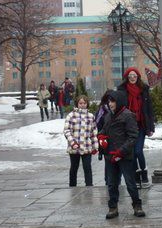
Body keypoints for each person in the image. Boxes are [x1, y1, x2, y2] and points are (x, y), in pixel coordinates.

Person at [98, 90, 145, 219]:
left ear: (118, 102)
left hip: (124, 156)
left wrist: (121, 152)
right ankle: (113, 207)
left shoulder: (128, 115)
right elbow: (103, 130)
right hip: (110, 156)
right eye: (109, 101)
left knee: (130, 183)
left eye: (112, 101)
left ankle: (137, 205)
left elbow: (133, 136)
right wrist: (101, 136)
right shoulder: (108, 116)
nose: (110, 103)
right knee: (112, 183)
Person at [117, 68, 155, 189]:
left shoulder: (144, 90)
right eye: (130, 76)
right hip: (128, 126)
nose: (132, 78)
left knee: (138, 151)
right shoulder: (122, 91)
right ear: (127, 78)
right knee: (131, 153)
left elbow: (149, 109)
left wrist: (151, 127)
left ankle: (144, 176)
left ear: (138, 77)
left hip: (141, 125)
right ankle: (136, 177)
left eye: (134, 76)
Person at [63, 95, 98, 187]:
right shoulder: (71, 115)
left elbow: (93, 132)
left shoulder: (91, 116)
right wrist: (72, 142)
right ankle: (72, 185)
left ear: (87, 104)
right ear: (77, 104)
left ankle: (89, 186)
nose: (82, 105)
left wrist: (95, 146)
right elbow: (67, 131)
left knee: (87, 167)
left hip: (87, 146)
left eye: (84, 103)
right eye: (80, 103)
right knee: (74, 167)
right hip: (75, 147)